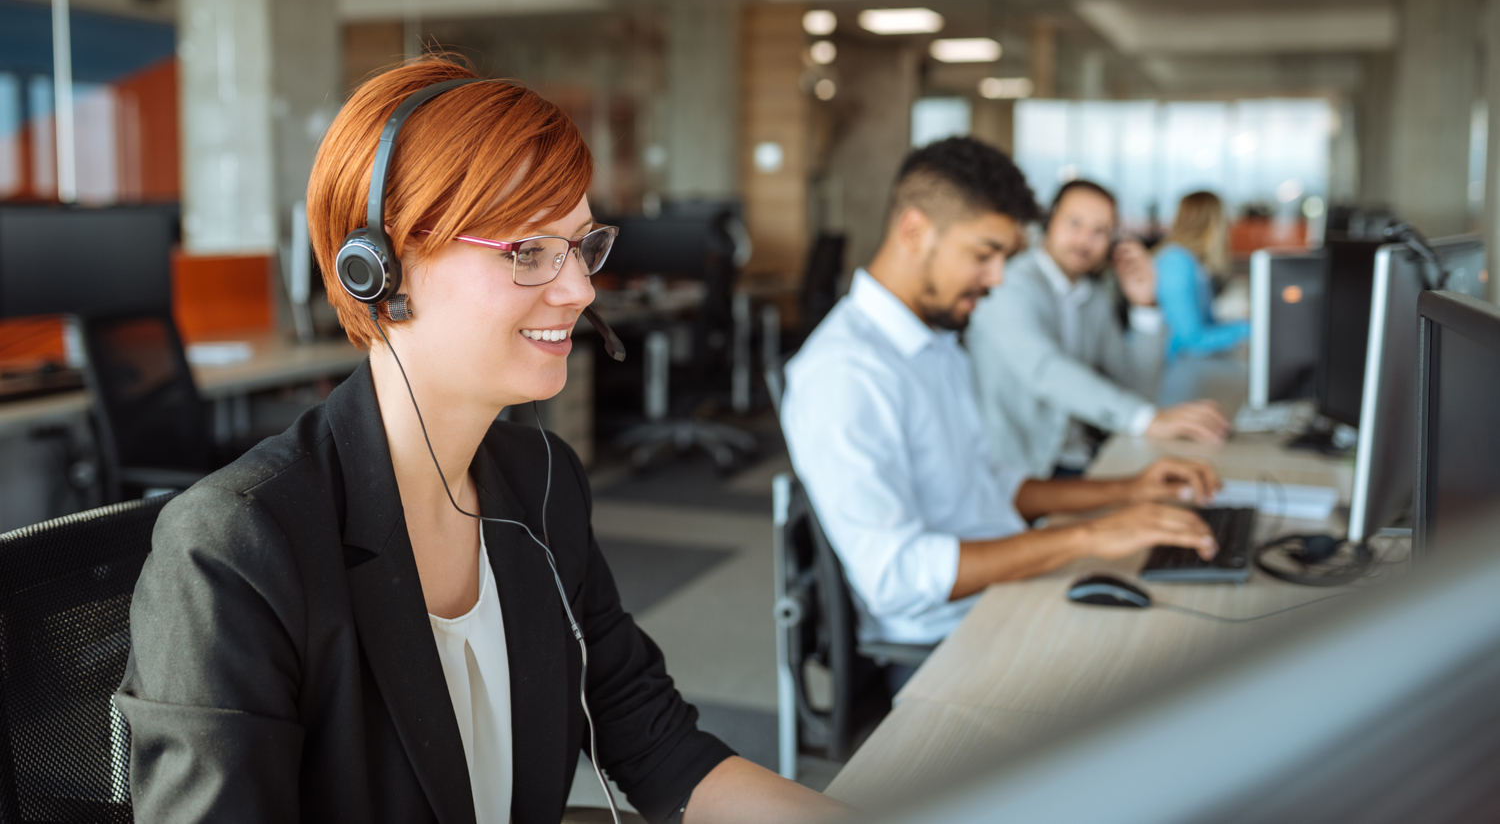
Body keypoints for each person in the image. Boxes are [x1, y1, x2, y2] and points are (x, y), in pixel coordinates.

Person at [115, 57, 845, 824]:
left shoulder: (542, 482)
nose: (580, 289)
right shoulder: (237, 545)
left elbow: (664, 753)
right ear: (385, 266)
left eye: (581, 245)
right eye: (529, 251)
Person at [780, 137, 1222, 680]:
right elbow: (894, 575)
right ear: (915, 231)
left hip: (1001, 593)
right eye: (984, 255)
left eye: (1004, 259)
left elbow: (992, 484)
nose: (997, 279)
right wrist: (1088, 535)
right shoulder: (845, 372)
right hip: (948, 639)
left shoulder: (936, 344)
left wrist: (1126, 492)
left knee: (1201, 636)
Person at [968, 180, 1231, 479]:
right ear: (1049, 222)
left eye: (1100, 231)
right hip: (1017, 471)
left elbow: (1134, 389)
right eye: (1074, 223)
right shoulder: (1008, 287)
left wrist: (1144, 306)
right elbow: (1047, 371)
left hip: (1079, 458)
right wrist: (1146, 419)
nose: (1084, 240)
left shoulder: (1093, 297)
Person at [1155, 190, 1249, 359]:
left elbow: (1206, 325)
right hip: (1170, 371)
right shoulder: (1175, 262)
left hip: (1188, 366)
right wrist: (1251, 328)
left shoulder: (1193, 262)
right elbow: (1191, 341)